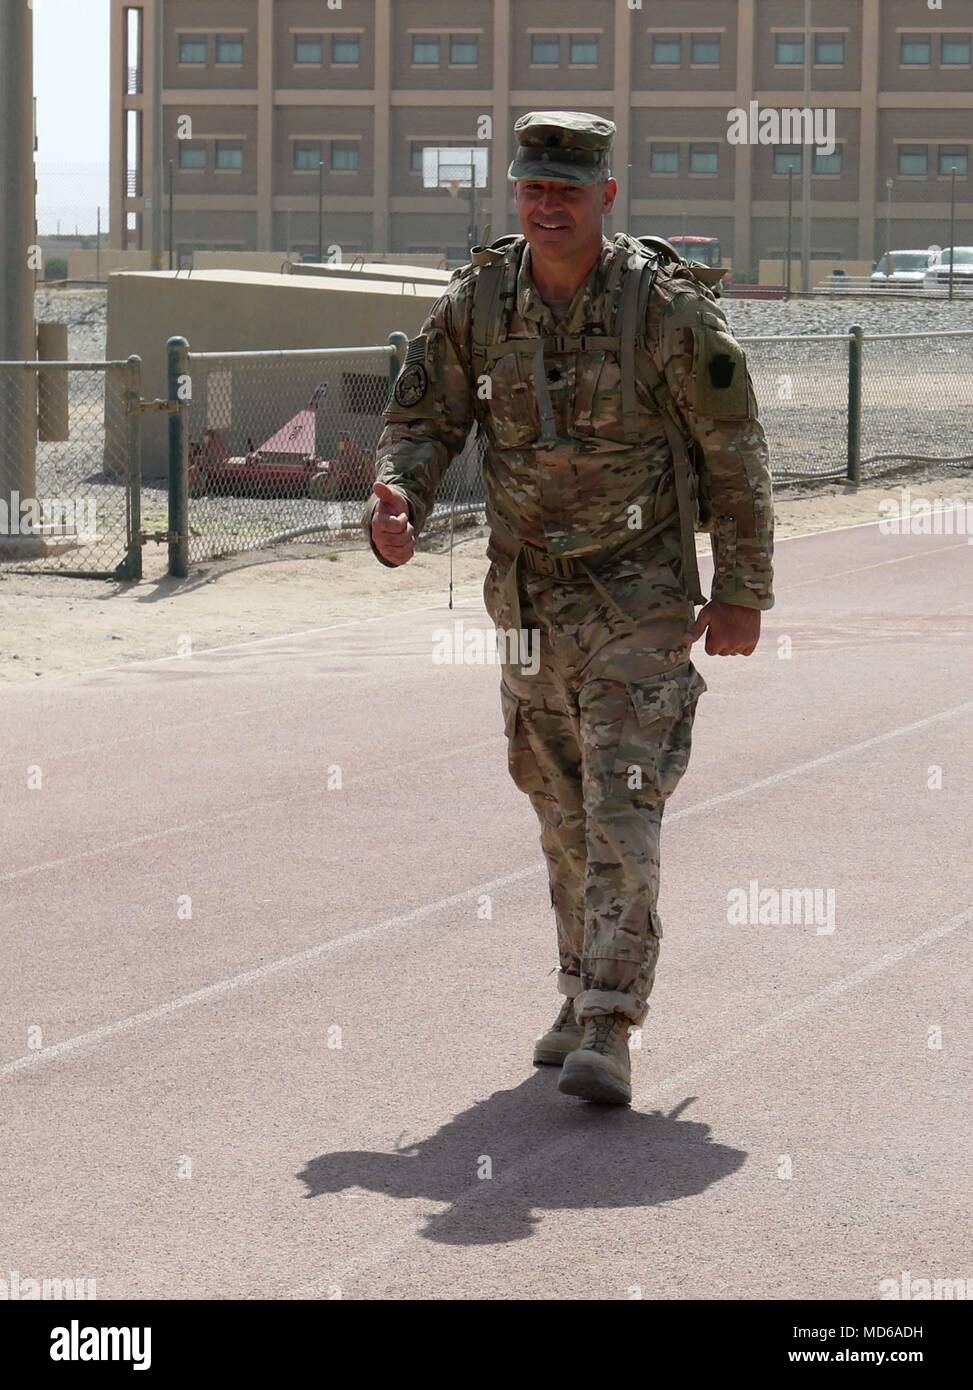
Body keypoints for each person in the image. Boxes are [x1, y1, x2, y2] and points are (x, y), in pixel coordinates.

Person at [363, 111, 775, 1106]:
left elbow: (734, 452)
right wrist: (397, 497)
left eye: (567, 191)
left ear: (605, 199)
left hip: (639, 594)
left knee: (621, 805)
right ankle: (574, 985)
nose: (547, 207)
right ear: (517, 194)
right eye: (533, 189)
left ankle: (609, 1021)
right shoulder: (481, 300)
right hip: (527, 594)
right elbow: (426, 416)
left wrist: (742, 590)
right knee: (557, 808)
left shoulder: (663, 311)